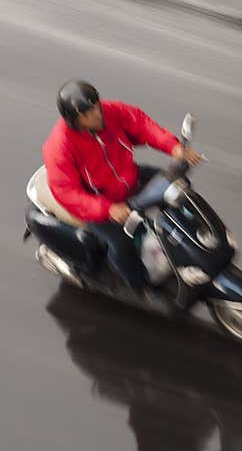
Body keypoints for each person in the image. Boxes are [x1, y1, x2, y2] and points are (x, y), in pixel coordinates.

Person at [42, 80, 202, 295]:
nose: (97, 114)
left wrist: (173, 147)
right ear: (74, 120)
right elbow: (67, 192)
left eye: (96, 106)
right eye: (88, 114)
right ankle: (141, 286)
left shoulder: (111, 111)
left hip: (129, 178)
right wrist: (107, 209)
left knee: (178, 188)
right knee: (120, 243)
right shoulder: (59, 146)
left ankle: (196, 242)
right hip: (100, 203)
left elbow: (142, 125)